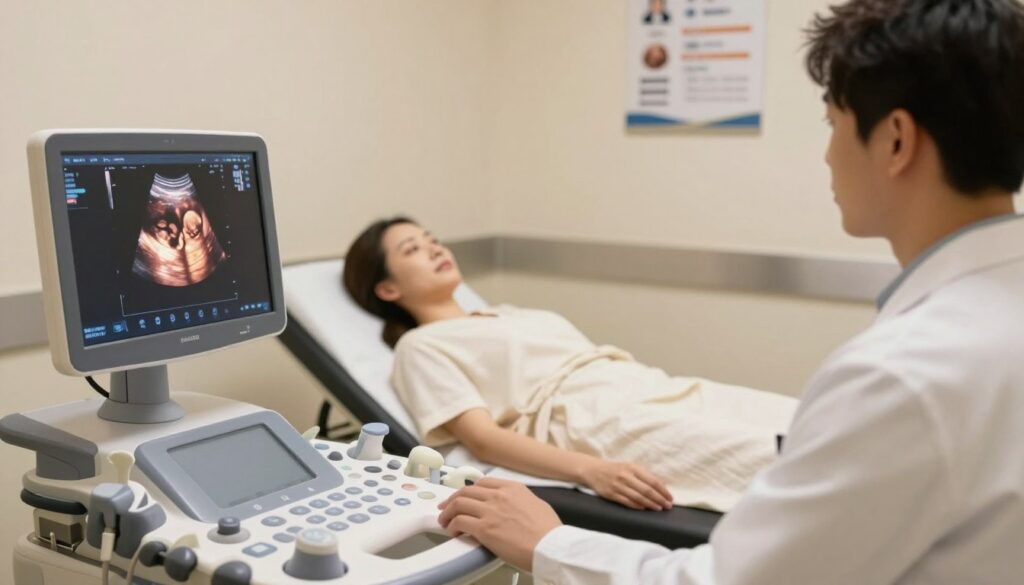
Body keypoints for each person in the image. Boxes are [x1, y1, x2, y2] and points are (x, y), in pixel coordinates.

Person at [436, 0, 1024, 583]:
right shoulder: (983, 320)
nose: (827, 155)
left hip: (638, 394)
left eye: (832, 124)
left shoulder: (901, 376)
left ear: (896, 140)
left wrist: (548, 543)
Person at [343, 218, 797, 513]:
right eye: (412, 249)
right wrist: (590, 470)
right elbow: (482, 439)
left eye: (433, 240)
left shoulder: (505, 313)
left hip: (654, 387)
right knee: (774, 456)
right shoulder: (419, 348)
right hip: (598, 422)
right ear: (387, 289)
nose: (434, 248)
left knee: (808, 420)